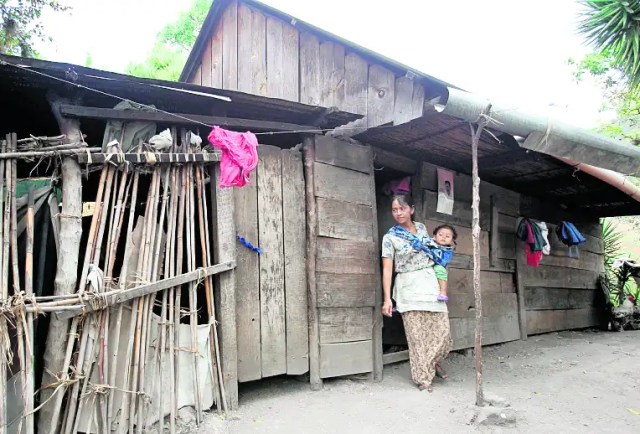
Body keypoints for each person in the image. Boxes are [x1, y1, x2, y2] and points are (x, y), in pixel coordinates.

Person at [381, 194, 452, 392]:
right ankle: (423, 378)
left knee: (443, 331)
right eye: (394, 210)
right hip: (408, 285)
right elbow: (388, 268)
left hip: (430, 284)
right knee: (416, 336)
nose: (398, 213)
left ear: (411, 209)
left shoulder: (421, 228)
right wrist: (387, 299)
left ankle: (433, 361)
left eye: (402, 208)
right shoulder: (390, 237)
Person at [432, 224, 458, 302]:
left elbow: (443, 262)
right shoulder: (429, 243)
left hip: (437, 265)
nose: (443, 237)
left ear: (452, 240)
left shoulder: (448, 251)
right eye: (440, 235)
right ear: (435, 236)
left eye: (447, 236)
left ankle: (443, 292)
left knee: (440, 269)